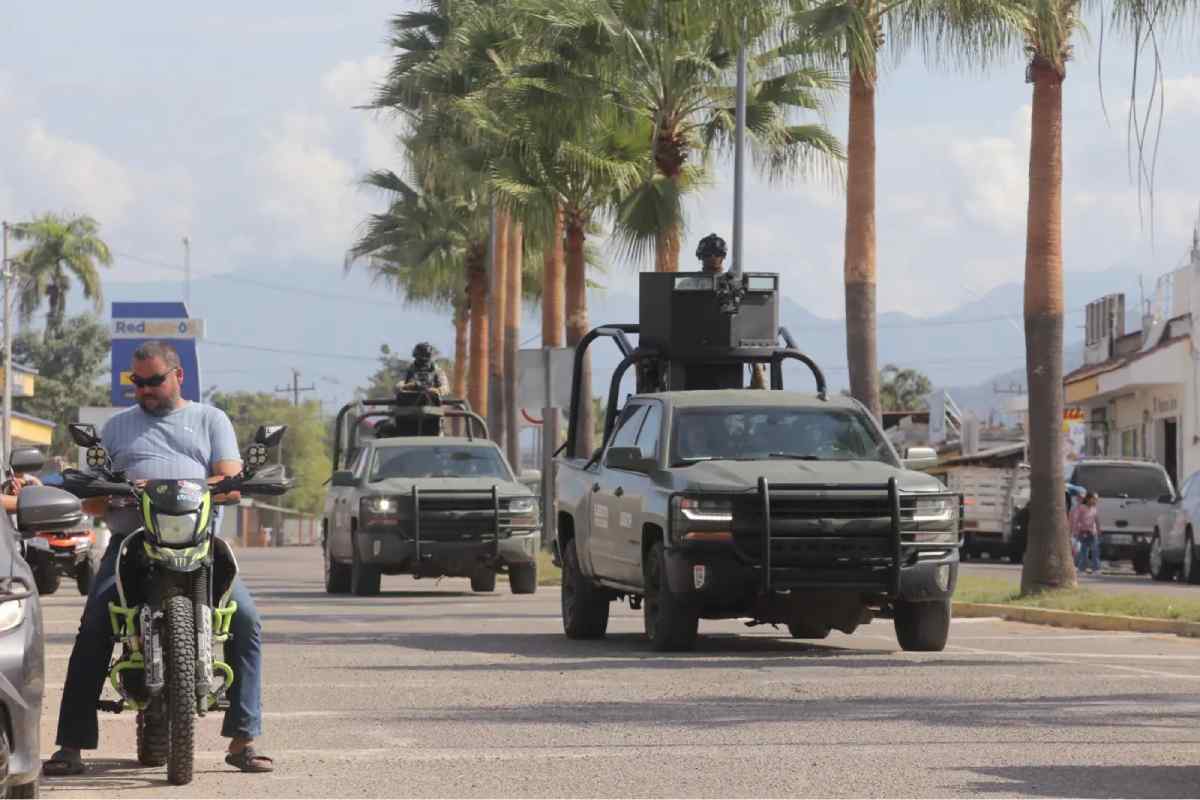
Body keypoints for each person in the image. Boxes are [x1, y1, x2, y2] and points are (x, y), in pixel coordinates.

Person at [43, 341, 275, 777]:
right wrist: (103, 491)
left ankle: (244, 739)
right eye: (138, 382)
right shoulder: (115, 428)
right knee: (95, 623)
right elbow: (95, 504)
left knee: (245, 620)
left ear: (178, 375)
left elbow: (230, 480)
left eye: (154, 381)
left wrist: (180, 484)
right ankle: (70, 746)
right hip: (130, 544)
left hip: (200, 543)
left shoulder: (210, 419)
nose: (145, 390)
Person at [1070, 491, 1102, 575]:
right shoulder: (1081, 508)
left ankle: (1096, 569)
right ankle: (1082, 569)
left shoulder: (1094, 509)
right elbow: (1076, 520)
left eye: (1096, 499)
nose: (1095, 501)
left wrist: (1098, 530)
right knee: (1084, 552)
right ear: (1088, 499)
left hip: (1092, 533)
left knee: (1095, 551)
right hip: (1083, 532)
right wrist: (1075, 531)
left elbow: (1096, 520)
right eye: (1094, 499)